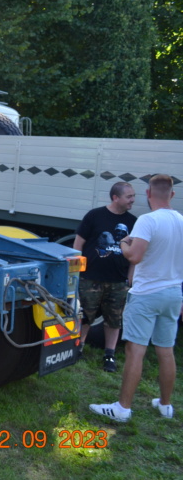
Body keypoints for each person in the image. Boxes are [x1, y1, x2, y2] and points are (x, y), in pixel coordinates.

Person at [90, 174, 183, 421]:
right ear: (172, 194)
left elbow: (134, 256)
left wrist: (122, 243)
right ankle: (165, 405)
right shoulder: (181, 220)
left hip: (147, 294)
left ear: (148, 194)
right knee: (166, 350)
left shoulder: (147, 220)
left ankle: (122, 408)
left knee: (135, 350)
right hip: (173, 293)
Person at [73, 181, 136, 372]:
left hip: (118, 281)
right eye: (129, 196)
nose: (132, 200)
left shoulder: (134, 222)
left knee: (114, 319)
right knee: (84, 315)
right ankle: (78, 348)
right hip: (90, 277)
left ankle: (109, 355)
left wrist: (130, 278)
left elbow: (134, 254)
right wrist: (77, 272)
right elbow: (78, 244)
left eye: (133, 196)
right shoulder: (95, 216)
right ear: (115, 198)